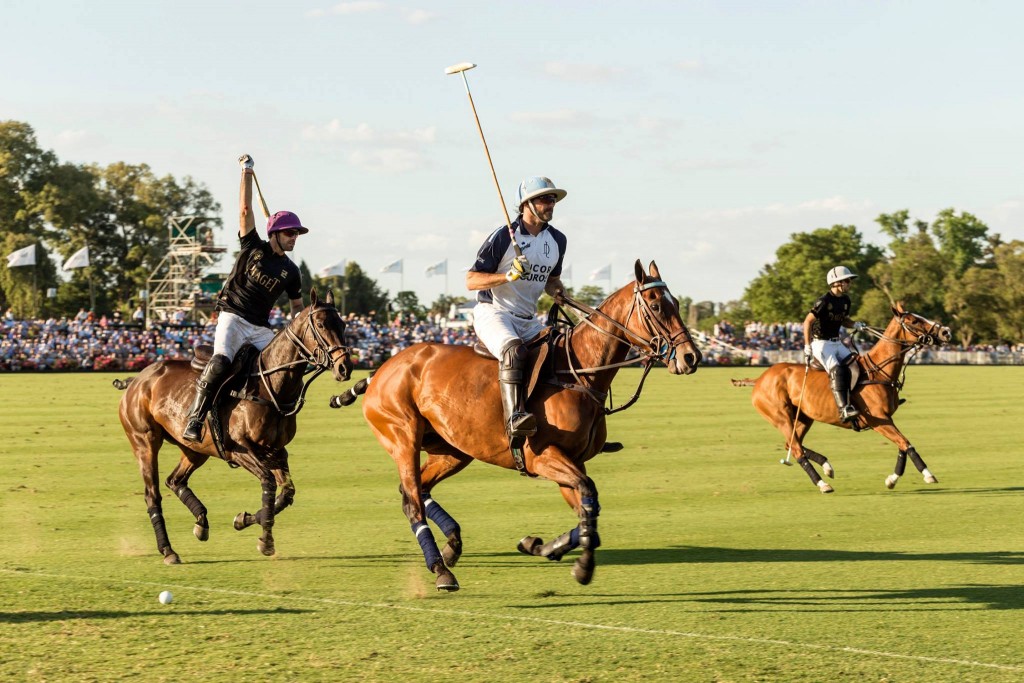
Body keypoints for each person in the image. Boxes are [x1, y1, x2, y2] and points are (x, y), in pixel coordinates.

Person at [181, 155, 307, 443]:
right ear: (275, 233)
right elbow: (245, 210)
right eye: (290, 233)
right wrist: (246, 172)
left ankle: (277, 414)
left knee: (287, 364)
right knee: (222, 361)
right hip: (233, 317)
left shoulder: (292, 271)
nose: (294, 238)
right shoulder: (252, 247)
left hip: (260, 328)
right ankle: (196, 416)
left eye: (297, 234)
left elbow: (297, 309)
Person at [466, 176, 568, 446]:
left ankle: (574, 426)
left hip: (528, 319)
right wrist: (507, 276)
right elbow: (471, 280)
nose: (551, 204)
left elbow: (551, 280)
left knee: (565, 350)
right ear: (527, 204)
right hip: (494, 312)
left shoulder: (557, 240)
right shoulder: (503, 237)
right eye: (545, 199)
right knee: (514, 351)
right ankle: (515, 419)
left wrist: (558, 291)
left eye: (553, 199)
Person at [802, 265, 866, 423]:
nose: (849, 284)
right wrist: (807, 345)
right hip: (821, 343)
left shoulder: (845, 300)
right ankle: (844, 409)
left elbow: (844, 320)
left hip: (837, 342)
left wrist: (855, 324)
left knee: (857, 364)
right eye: (847, 281)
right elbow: (807, 322)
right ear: (836, 282)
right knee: (837, 370)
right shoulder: (824, 301)